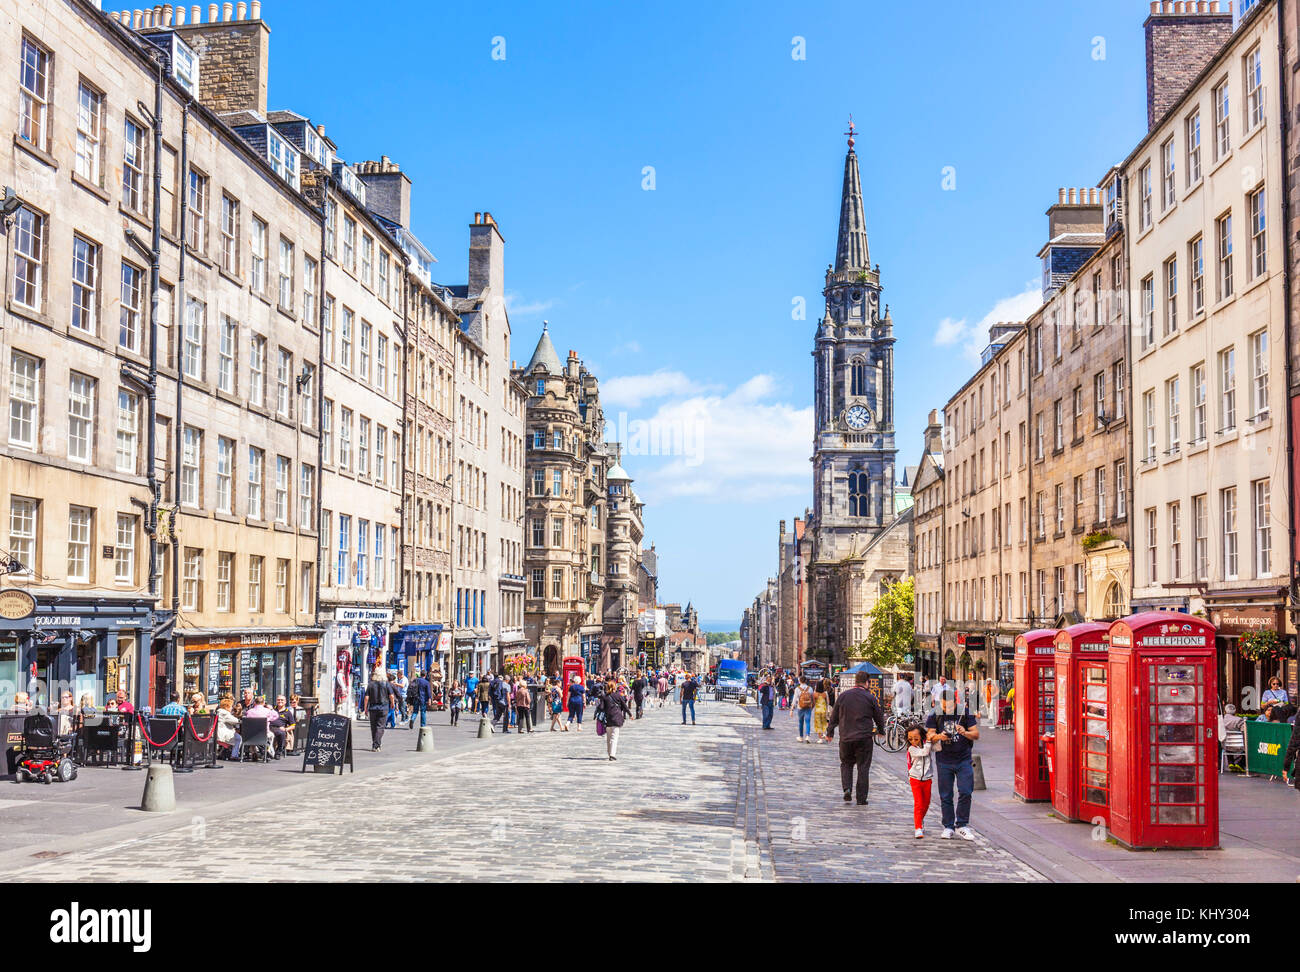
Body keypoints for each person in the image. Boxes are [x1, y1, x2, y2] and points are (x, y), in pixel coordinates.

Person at [825, 670, 886, 805]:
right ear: (867, 682)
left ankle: (847, 788)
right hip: (864, 738)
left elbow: (834, 716)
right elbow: (878, 716)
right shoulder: (870, 697)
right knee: (863, 768)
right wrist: (881, 730)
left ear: (855, 681)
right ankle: (861, 798)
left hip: (846, 737)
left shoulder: (843, 696)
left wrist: (830, 733)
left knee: (846, 764)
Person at [925, 695, 980, 840]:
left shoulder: (965, 713)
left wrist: (964, 732)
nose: (946, 710)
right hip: (944, 759)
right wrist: (939, 736)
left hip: (963, 759)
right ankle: (948, 826)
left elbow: (976, 734)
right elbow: (929, 735)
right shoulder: (935, 713)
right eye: (943, 707)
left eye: (948, 707)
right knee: (946, 795)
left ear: (955, 703)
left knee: (966, 791)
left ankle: (962, 824)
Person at [906, 726, 934, 838]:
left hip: (927, 779)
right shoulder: (911, 749)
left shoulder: (927, 743)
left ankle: (920, 820)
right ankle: (918, 827)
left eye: (916, 739)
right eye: (910, 739)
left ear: (921, 736)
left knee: (926, 803)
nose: (913, 741)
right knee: (918, 803)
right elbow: (925, 752)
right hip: (915, 778)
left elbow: (938, 748)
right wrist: (928, 741)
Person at [594, 678, 631, 760]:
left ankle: (609, 753)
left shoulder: (605, 697)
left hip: (607, 719)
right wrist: (630, 714)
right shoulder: (618, 695)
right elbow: (625, 706)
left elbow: (601, 707)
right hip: (617, 718)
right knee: (614, 737)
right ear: (615, 687)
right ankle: (612, 755)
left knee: (609, 737)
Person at [362, 670, 398, 752]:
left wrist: (365, 708)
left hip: (373, 707)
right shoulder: (386, 684)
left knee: (373, 727)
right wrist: (392, 703)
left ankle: (375, 744)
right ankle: (376, 745)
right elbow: (391, 696)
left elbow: (366, 697)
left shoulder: (371, 684)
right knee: (380, 727)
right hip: (383, 707)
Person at [795, 677, 815, 742]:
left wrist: (792, 709)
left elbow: (794, 699)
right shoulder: (810, 688)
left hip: (800, 707)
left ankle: (801, 737)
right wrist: (812, 707)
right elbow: (812, 698)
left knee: (801, 722)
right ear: (806, 681)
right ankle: (808, 736)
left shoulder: (797, 689)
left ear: (799, 681)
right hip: (808, 707)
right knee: (808, 722)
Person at [812, 678, 831, 743]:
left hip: (817, 710)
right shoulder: (825, 693)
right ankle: (824, 734)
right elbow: (828, 701)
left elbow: (814, 703)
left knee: (818, 724)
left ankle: (820, 739)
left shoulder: (815, 694)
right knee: (824, 723)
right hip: (824, 710)